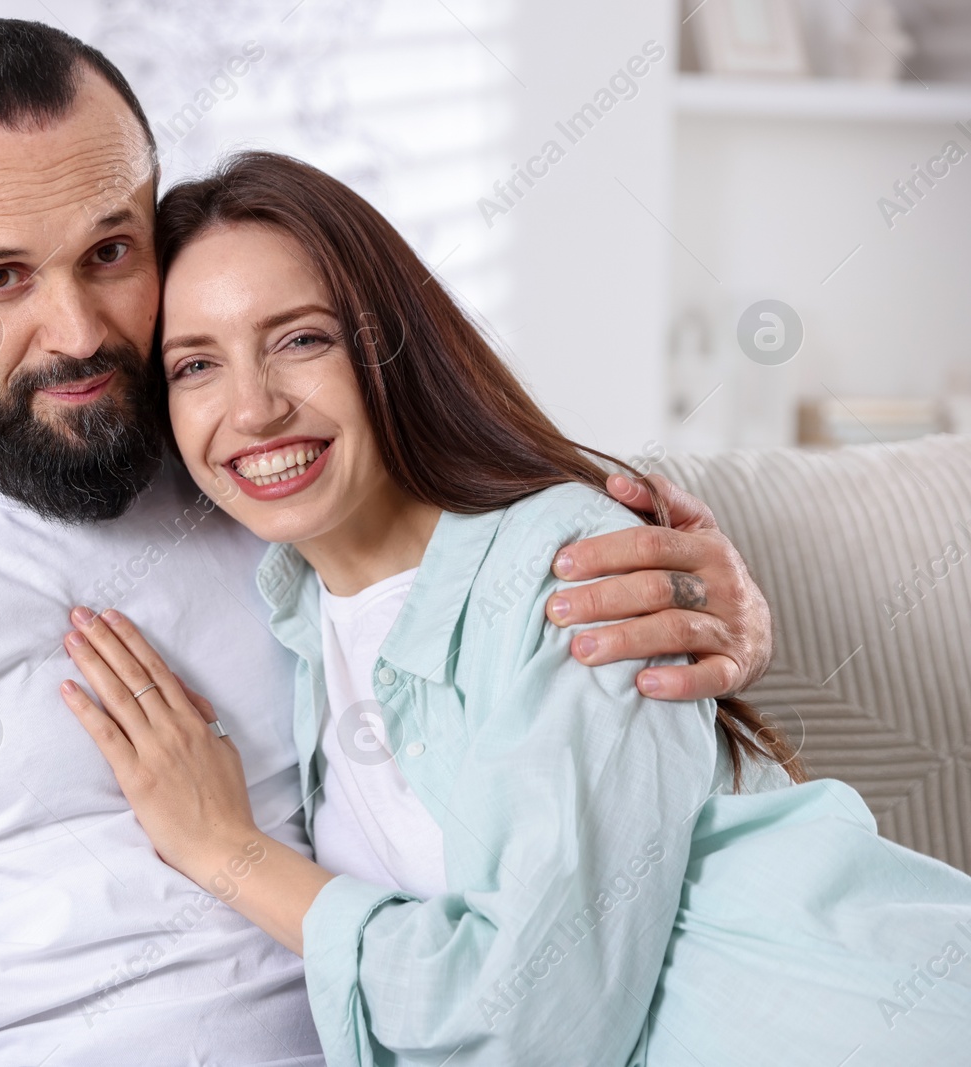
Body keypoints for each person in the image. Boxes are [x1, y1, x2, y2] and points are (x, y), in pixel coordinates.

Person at [0, 20, 779, 1066]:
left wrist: (707, 606)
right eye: (1, 276)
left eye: (110, 251)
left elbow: (504, 563)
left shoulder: (266, 468)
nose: (75, 332)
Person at [57, 150, 971, 1066]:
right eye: (194, 365)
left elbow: (529, 1020)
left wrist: (225, 851)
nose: (253, 409)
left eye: (302, 339)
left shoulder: (577, 565)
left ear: (389, 345)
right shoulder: (298, 629)